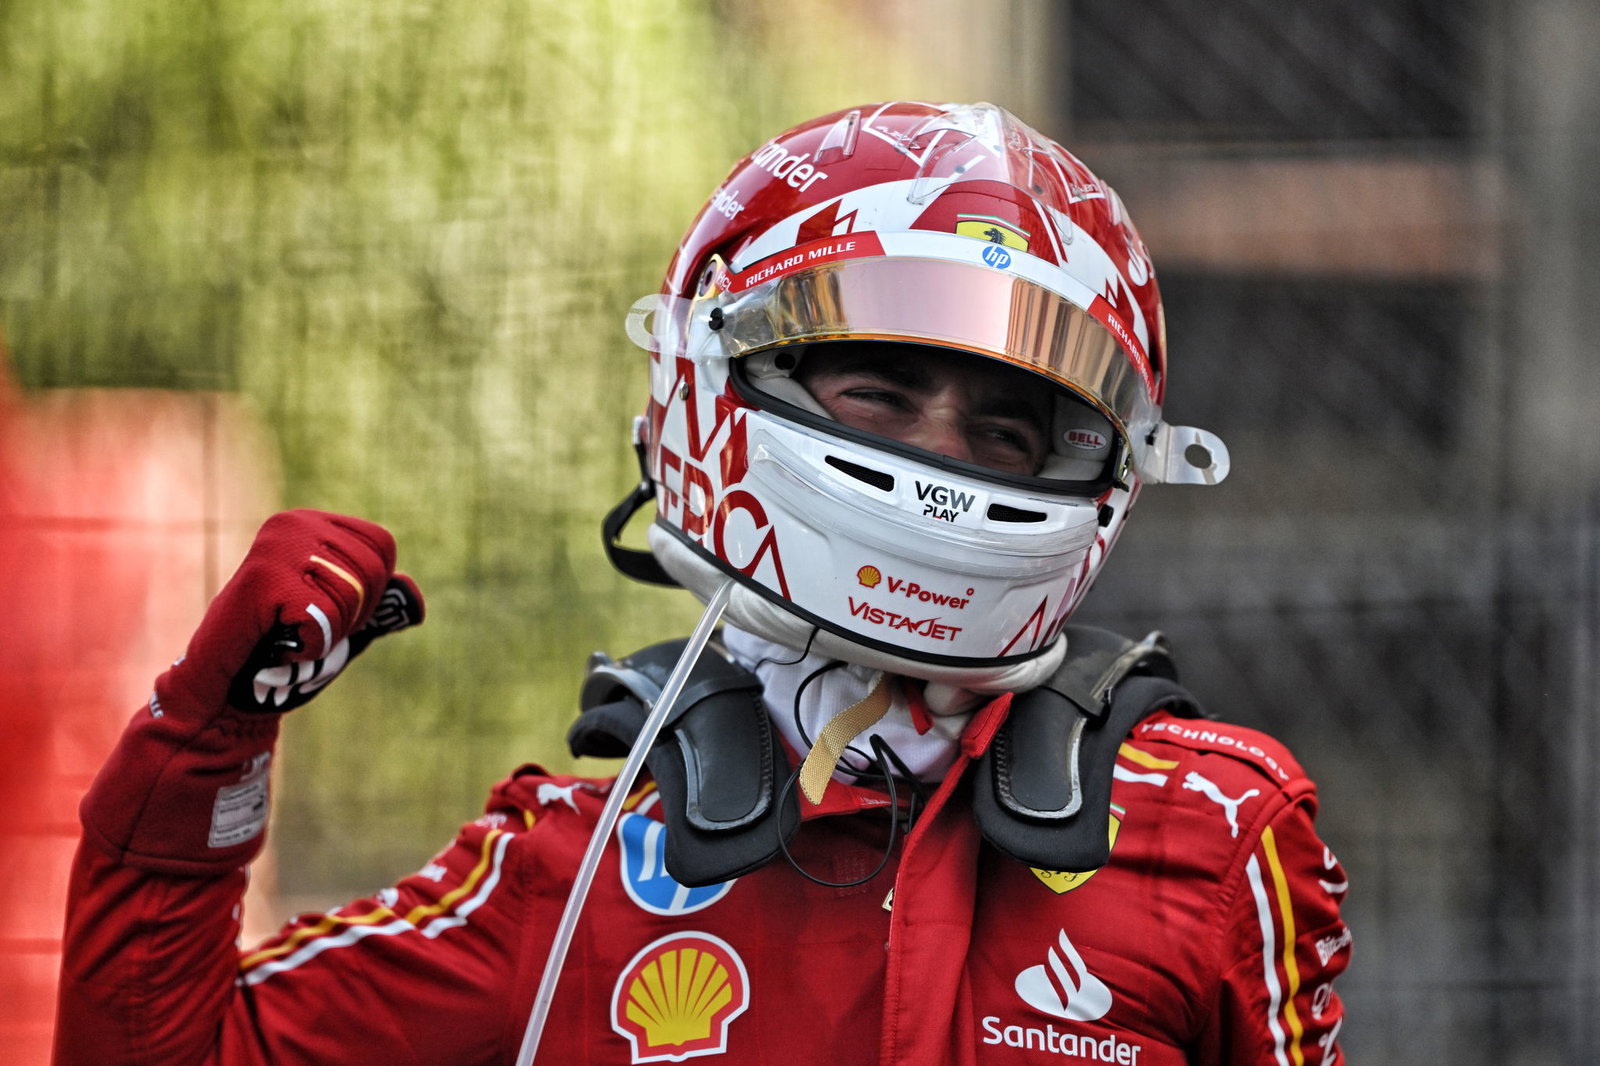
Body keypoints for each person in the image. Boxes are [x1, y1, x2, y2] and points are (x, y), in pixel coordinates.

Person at [54, 101, 1350, 1065]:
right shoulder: (576, 873)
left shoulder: (1211, 833)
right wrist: (207, 747)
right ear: (711, 379)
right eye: (880, 393)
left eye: (1004, 429)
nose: (942, 457)